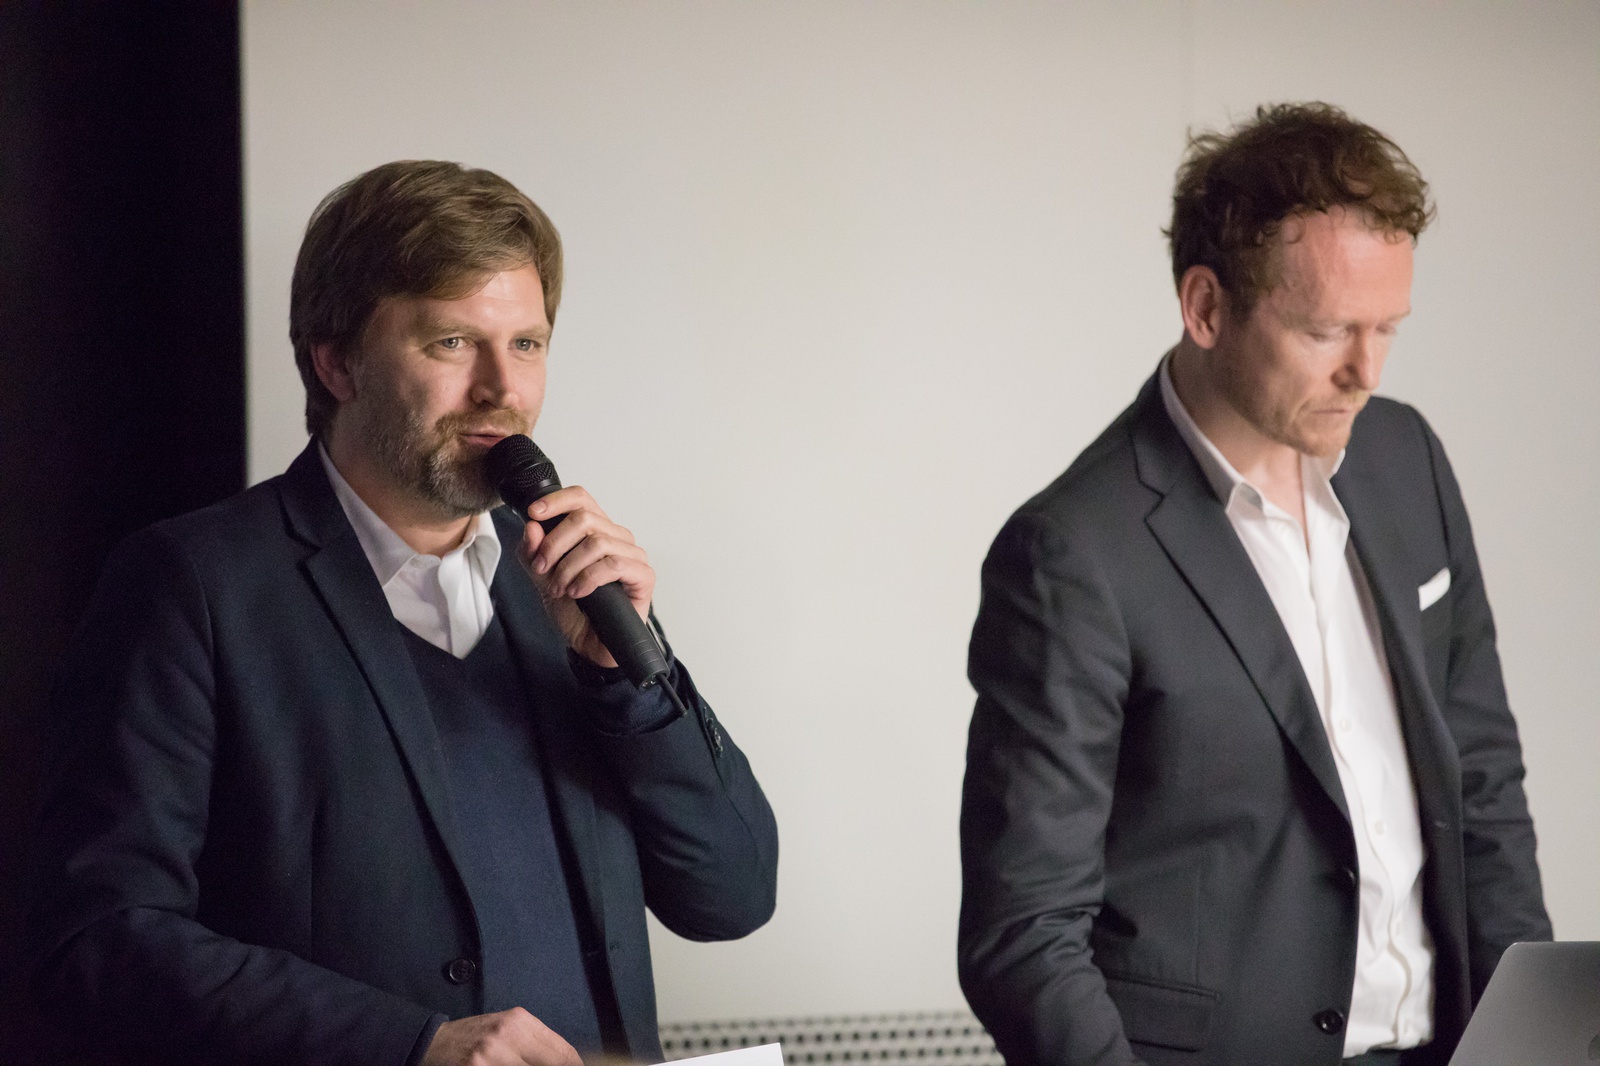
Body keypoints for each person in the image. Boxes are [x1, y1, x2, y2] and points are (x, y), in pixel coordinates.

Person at [29, 160, 779, 1066]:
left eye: (527, 344)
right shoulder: (192, 585)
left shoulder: (568, 583)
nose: (503, 389)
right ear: (336, 361)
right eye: (453, 342)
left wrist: (627, 680)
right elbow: (99, 936)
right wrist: (412, 1047)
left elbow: (732, 897)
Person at [958, 103, 1550, 1066]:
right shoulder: (1072, 553)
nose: (1365, 370)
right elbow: (1022, 933)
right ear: (1205, 306)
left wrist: (1532, 1045)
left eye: (1387, 328)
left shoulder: (1407, 459)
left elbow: (1481, 782)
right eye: (1328, 330)